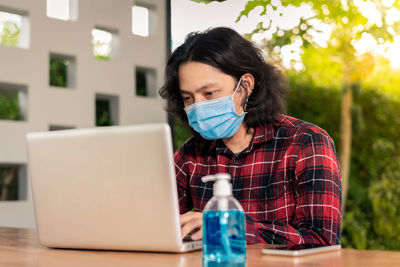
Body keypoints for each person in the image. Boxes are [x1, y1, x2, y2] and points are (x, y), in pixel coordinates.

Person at [159, 27, 342, 246]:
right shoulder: (191, 154)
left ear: (245, 85)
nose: (198, 107)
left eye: (209, 94)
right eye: (188, 98)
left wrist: (231, 227)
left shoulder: (306, 142)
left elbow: (321, 240)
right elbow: (154, 221)